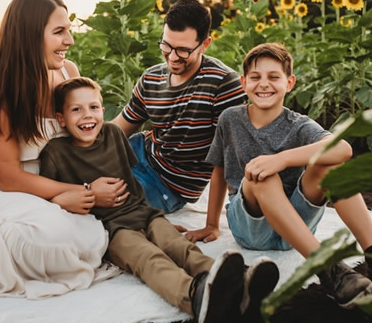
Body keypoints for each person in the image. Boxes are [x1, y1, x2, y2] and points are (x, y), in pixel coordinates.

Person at [39, 76, 280, 323]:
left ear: (102, 109)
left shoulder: (113, 134)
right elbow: (49, 199)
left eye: (93, 107)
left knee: (180, 247)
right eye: (76, 110)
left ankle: (240, 282)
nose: (87, 116)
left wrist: (155, 216)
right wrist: (85, 192)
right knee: (149, 258)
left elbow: (130, 181)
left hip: (143, 213)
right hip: (112, 228)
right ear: (61, 118)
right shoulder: (56, 153)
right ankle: (194, 295)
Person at [0, 0, 128, 298]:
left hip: (45, 190)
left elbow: (83, 140)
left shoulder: (67, 72)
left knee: (93, 235)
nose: (69, 40)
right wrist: (77, 193)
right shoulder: (0, 93)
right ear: (29, 36)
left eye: (68, 30)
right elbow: (8, 178)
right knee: (51, 236)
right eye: (59, 32)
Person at [185, 42, 372, 308]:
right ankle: (330, 270)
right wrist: (212, 225)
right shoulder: (230, 119)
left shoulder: (299, 124)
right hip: (251, 227)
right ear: (243, 82)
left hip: (296, 225)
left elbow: (343, 148)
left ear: (290, 82)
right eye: (256, 77)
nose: (264, 84)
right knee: (261, 174)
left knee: (331, 166)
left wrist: (281, 159)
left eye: (274, 77)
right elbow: (219, 170)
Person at [113, 0, 247, 213]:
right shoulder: (151, 77)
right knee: (73, 175)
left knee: (109, 204)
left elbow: (229, 157)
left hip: (168, 184)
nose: (172, 57)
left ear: (204, 44)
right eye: (166, 45)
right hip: (137, 152)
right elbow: (118, 129)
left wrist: (213, 223)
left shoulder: (222, 83)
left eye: (183, 50)